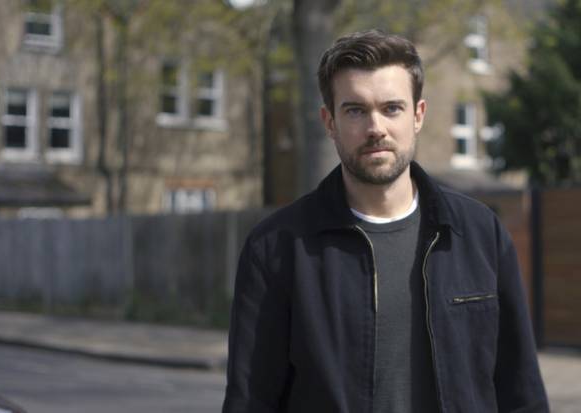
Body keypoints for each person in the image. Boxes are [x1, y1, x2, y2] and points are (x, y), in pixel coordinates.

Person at [222, 29, 549, 413]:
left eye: (391, 108)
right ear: (329, 122)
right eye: (356, 110)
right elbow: (250, 400)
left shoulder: (479, 233)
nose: (375, 127)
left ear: (418, 115)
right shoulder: (277, 248)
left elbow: (519, 388)